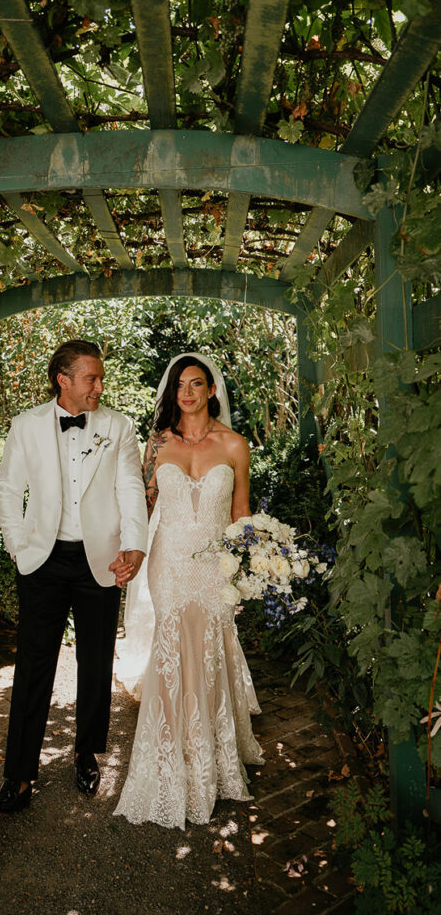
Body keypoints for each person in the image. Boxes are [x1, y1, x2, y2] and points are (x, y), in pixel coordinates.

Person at [0, 340, 148, 813]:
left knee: (96, 663)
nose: (100, 386)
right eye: (91, 379)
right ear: (64, 379)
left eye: (100, 378)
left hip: (99, 558)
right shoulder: (26, 425)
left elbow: (130, 486)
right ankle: (18, 776)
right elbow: (7, 487)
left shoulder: (118, 426)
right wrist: (20, 548)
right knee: (34, 666)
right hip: (42, 561)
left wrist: (134, 544)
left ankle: (86, 752)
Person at [114, 352, 264, 829]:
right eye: (179, 384)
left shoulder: (235, 445)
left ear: (212, 390)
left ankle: (213, 760)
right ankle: (170, 758)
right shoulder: (158, 445)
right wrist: (130, 551)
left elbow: (241, 513)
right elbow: (141, 504)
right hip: (170, 563)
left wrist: (255, 561)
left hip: (213, 567)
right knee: (174, 648)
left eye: (196, 384)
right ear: (171, 391)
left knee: (211, 649)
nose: (187, 392)